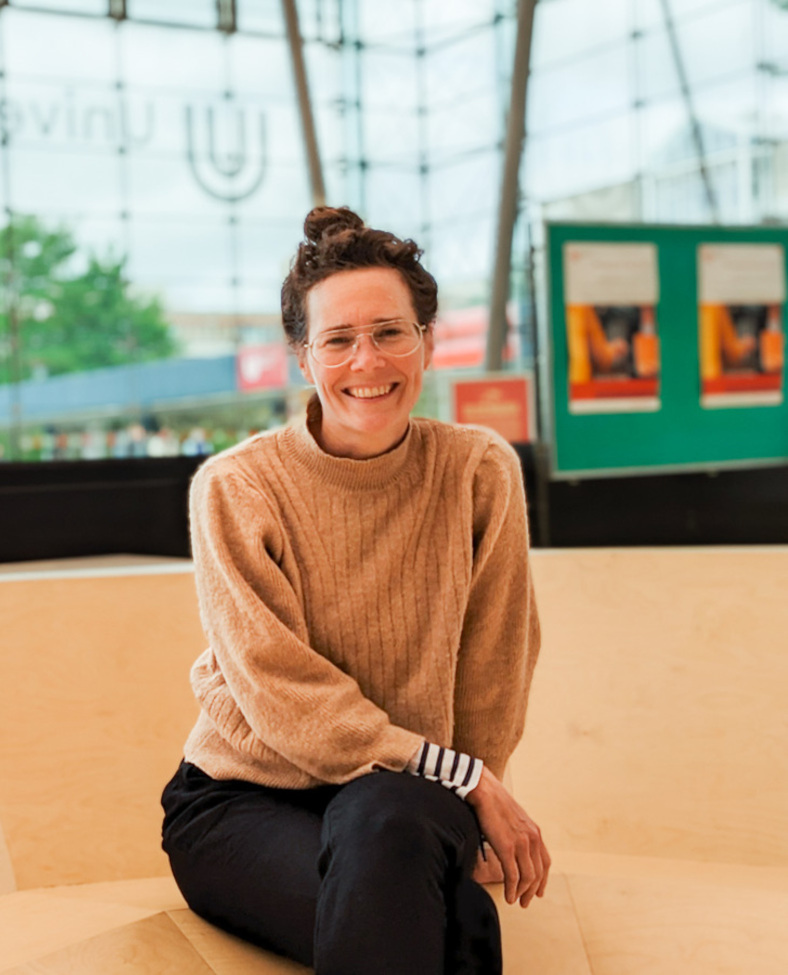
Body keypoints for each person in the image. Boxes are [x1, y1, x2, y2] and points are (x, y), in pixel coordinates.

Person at [159, 207, 548, 974]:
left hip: (402, 803)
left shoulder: (477, 471)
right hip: (243, 799)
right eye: (338, 339)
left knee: (392, 828)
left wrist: (464, 804)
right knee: (454, 926)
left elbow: (496, 668)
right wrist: (463, 779)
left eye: (390, 332)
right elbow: (281, 694)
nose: (366, 360)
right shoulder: (237, 487)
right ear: (304, 357)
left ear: (429, 343)